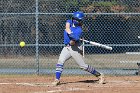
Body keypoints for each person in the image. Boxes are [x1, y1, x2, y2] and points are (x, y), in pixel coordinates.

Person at [52, 11, 105, 86]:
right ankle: (57, 79)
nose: (79, 21)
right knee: (60, 61)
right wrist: (71, 34)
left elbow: (72, 43)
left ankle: (99, 75)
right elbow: (67, 28)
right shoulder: (69, 21)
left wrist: (74, 39)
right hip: (66, 47)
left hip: (75, 47)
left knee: (83, 66)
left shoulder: (79, 30)